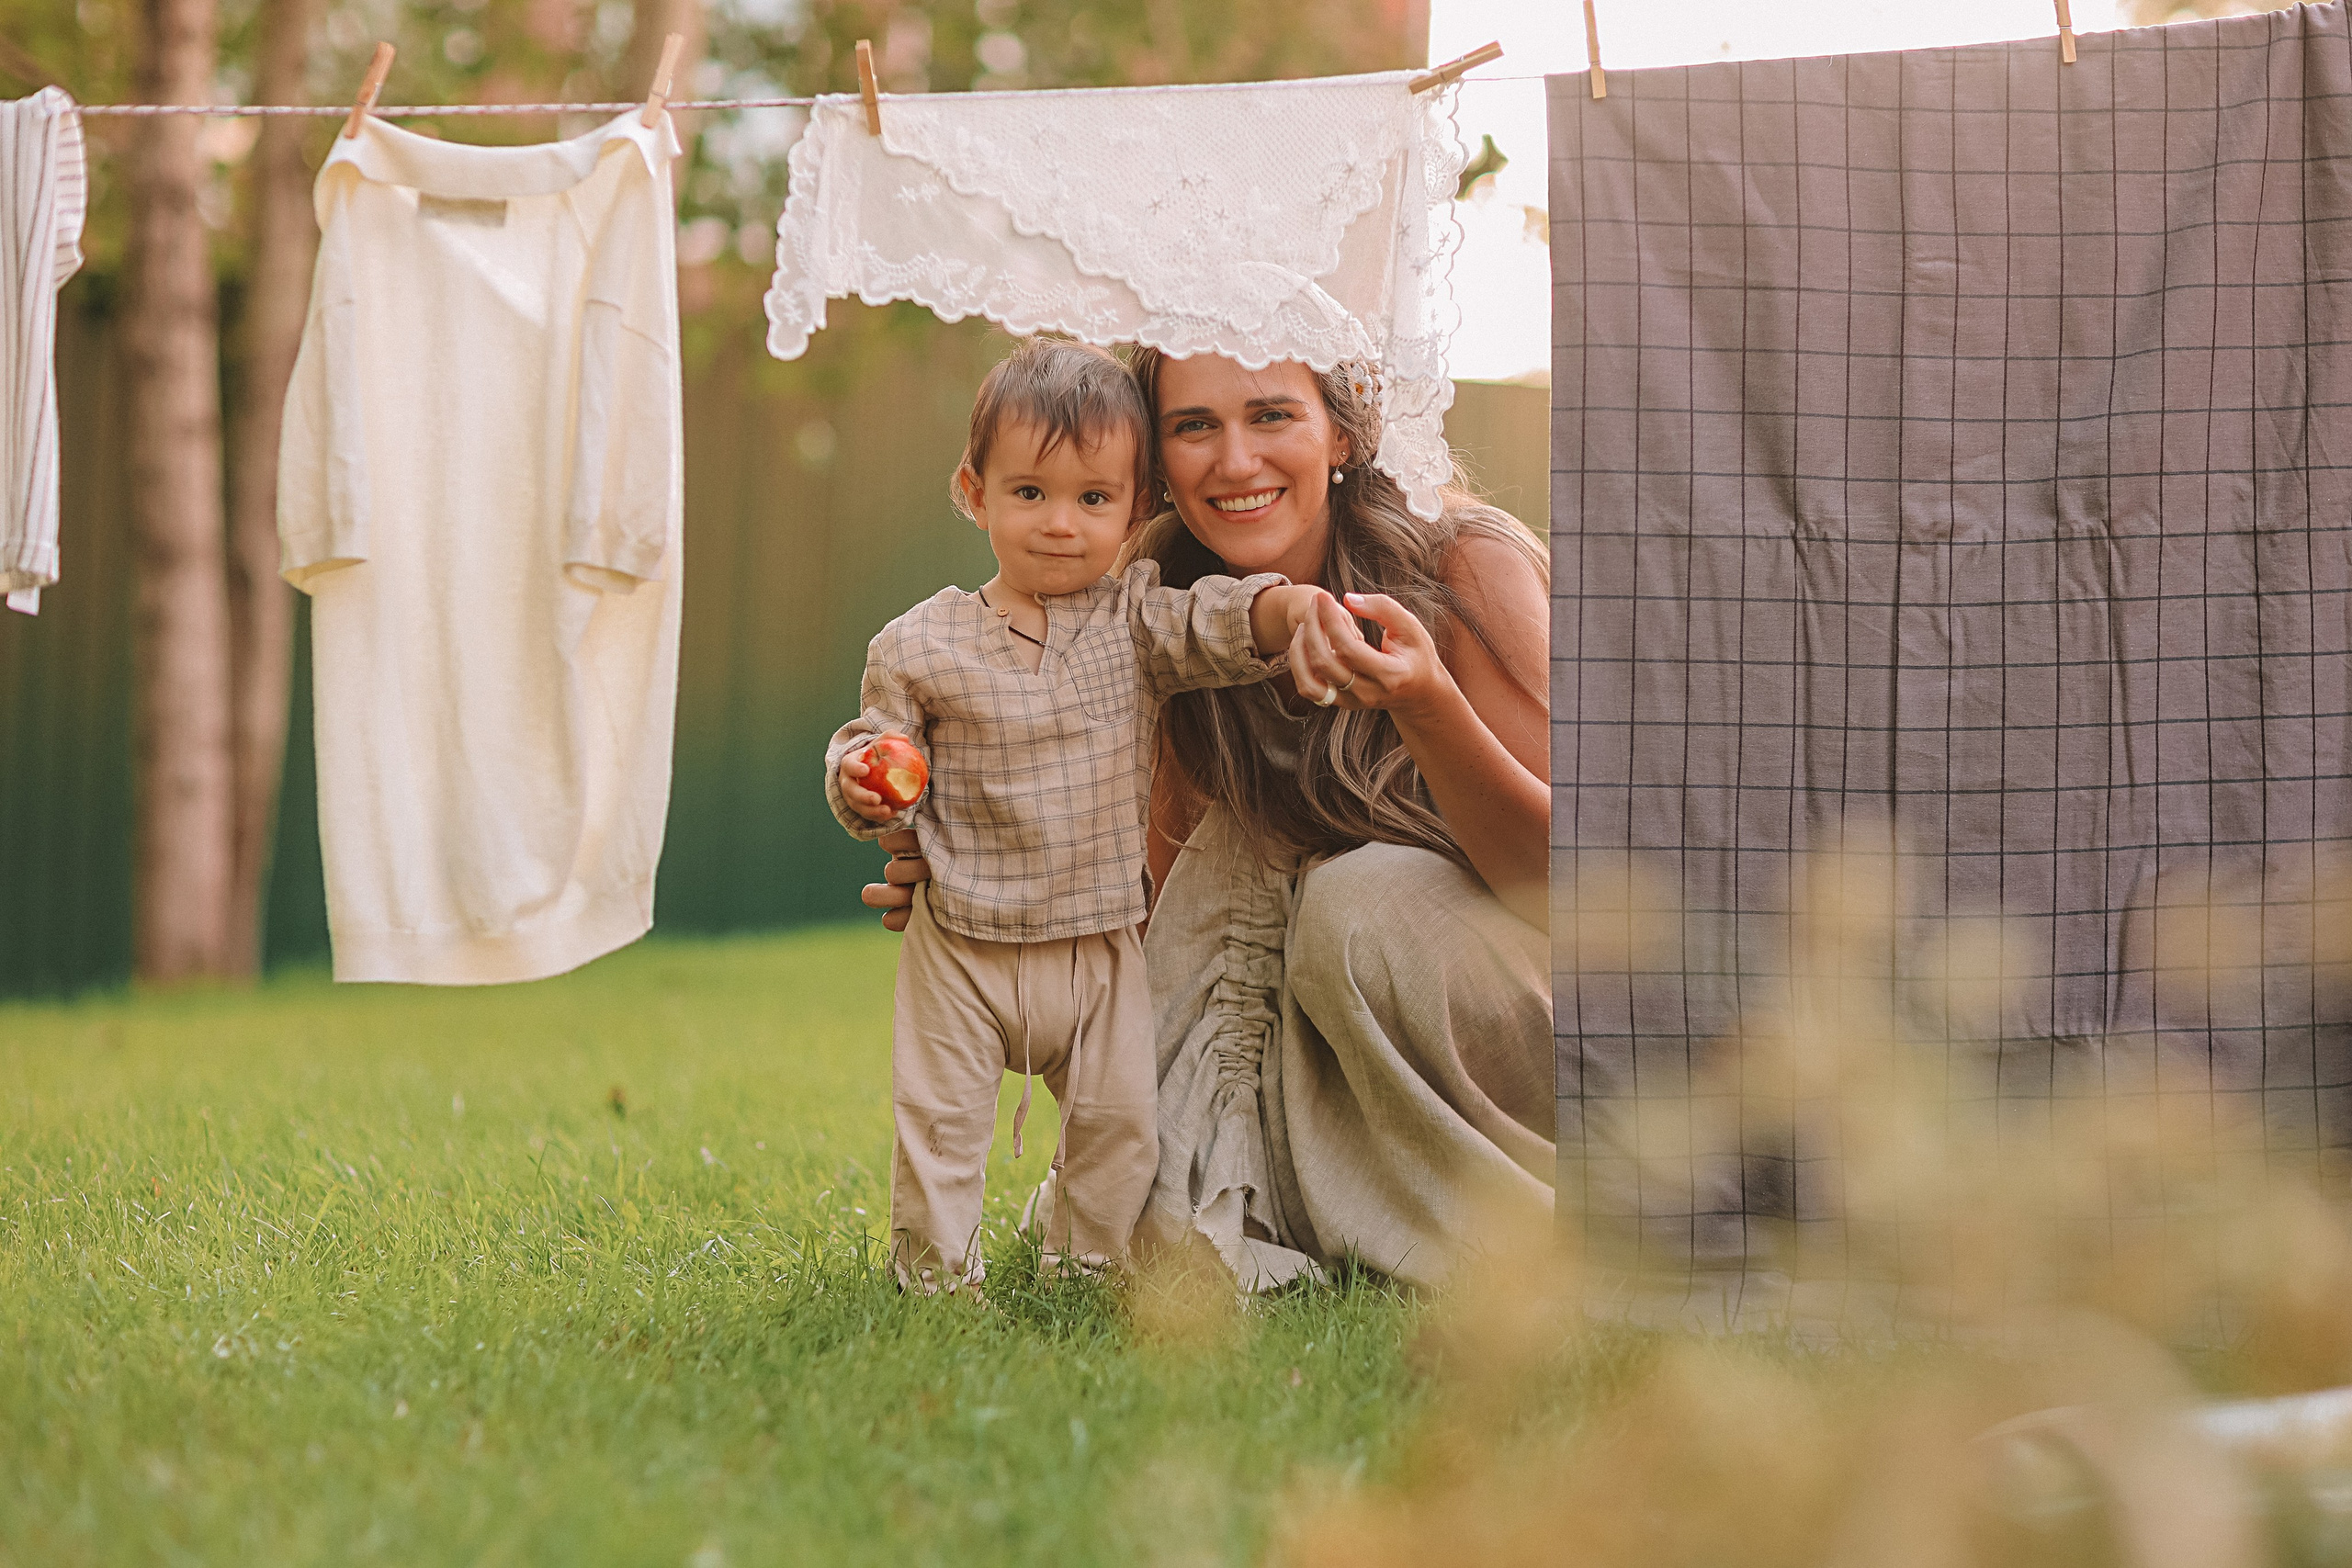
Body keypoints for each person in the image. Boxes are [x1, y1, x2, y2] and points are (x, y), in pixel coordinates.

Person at [865, 348, 1553, 1292]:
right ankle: (1321, 1200)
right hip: (1309, 1010)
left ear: (1342, 432)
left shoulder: (1461, 564)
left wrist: (1427, 702)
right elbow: (1148, 906)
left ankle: (1523, 1240)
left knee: (1356, 896)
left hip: (1519, 1001)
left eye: (1271, 416)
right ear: (1157, 463)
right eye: (1194, 426)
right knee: (1145, 1198)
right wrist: (972, 868)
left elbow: (1579, 889)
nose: (1233, 462)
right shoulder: (1153, 600)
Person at [826, 339, 1339, 1296]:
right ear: (974, 494)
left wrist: (1292, 610)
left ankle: (1081, 1269)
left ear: (1134, 506)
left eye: (1093, 499)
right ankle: (933, 1278)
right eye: (1030, 494)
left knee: (1117, 1124)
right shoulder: (920, 643)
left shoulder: (1136, 621)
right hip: (964, 942)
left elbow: (1219, 623)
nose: (1060, 525)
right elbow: (875, 742)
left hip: (1098, 943)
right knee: (940, 1121)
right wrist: (863, 775)